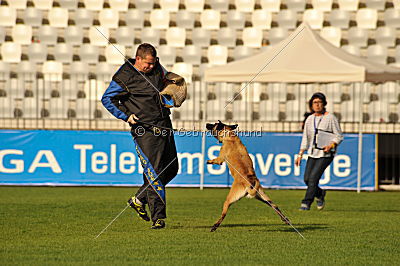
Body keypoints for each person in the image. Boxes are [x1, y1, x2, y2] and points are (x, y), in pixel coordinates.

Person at [101, 43, 179, 229]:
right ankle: (158, 218)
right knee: (154, 172)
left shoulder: (158, 67)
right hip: (144, 130)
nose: (151, 67)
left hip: (164, 125)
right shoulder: (124, 76)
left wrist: (173, 92)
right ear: (138, 59)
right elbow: (107, 98)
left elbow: (166, 85)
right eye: (148, 64)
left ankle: (138, 199)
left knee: (172, 169)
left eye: (153, 64)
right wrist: (126, 115)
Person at [295, 92, 343, 211]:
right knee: (307, 179)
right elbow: (305, 138)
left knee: (313, 179)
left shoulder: (330, 118)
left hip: (326, 153)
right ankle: (320, 194)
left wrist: (331, 145)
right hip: (312, 153)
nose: (317, 105)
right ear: (311, 105)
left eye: (319, 102)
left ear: (324, 104)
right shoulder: (309, 119)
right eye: (314, 102)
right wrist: (300, 154)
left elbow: (339, 136)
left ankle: (306, 203)